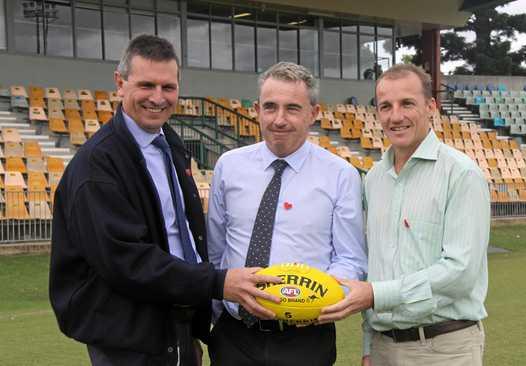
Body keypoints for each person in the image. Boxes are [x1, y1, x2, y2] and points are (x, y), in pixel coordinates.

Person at [49, 34, 280, 366]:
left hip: (176, 324)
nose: (158, 98)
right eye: (146, 85)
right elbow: (126, 262)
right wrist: (216, 282)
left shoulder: (170, 144)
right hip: (130, 337)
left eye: (168, 87)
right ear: (120, 83)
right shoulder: (97, 166)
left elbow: (181, 232)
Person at [318, 64, 490, 366]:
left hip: (444, 349)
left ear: (430, 106)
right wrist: (370, 344)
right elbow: (376, 266)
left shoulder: (461, 174)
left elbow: (461, 273)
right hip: (385, 348)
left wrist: (376, 295)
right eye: (386, 106)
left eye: (407, 103)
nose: (395, 116)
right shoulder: (373, 180)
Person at [206, 61, 367, 366]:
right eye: (270, 107)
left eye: (292, 108)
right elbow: (215, 251)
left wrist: (317, 300)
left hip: (304, 340)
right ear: (256, 110)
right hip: (233, 337)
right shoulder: (229, 166)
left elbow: (351, 258)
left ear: (313, 113)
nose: (279, 120)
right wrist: (216, 312)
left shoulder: (341, 175)